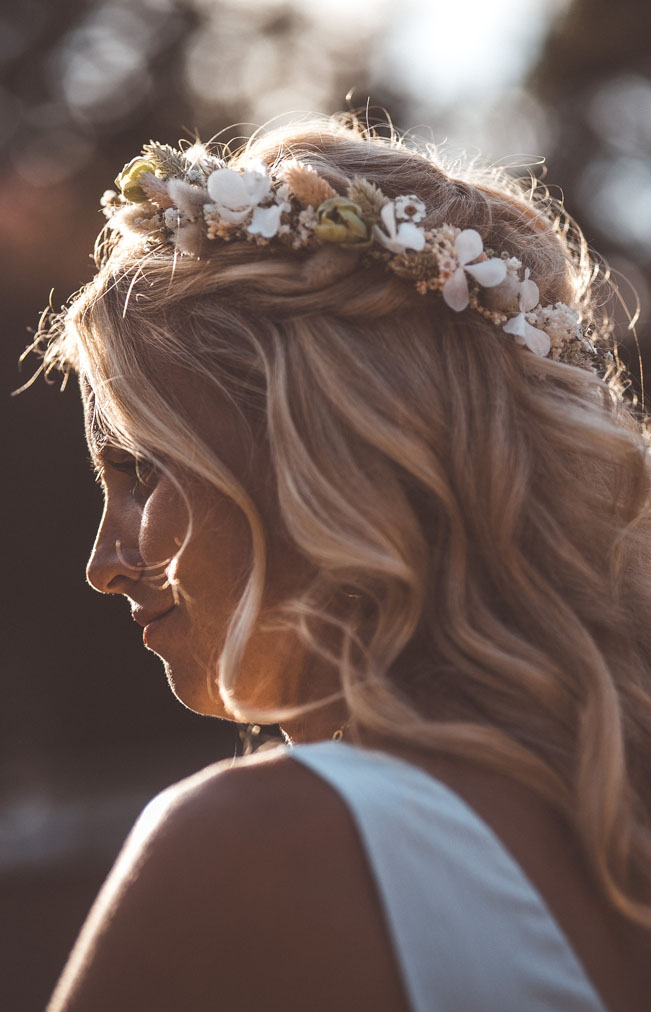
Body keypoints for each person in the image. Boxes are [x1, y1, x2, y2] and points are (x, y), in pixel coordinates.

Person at [31, 114, 651, 1011]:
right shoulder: (614, 829)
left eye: (144, 471)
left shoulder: (258, 849)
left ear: (315, 453)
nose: (103, 563)